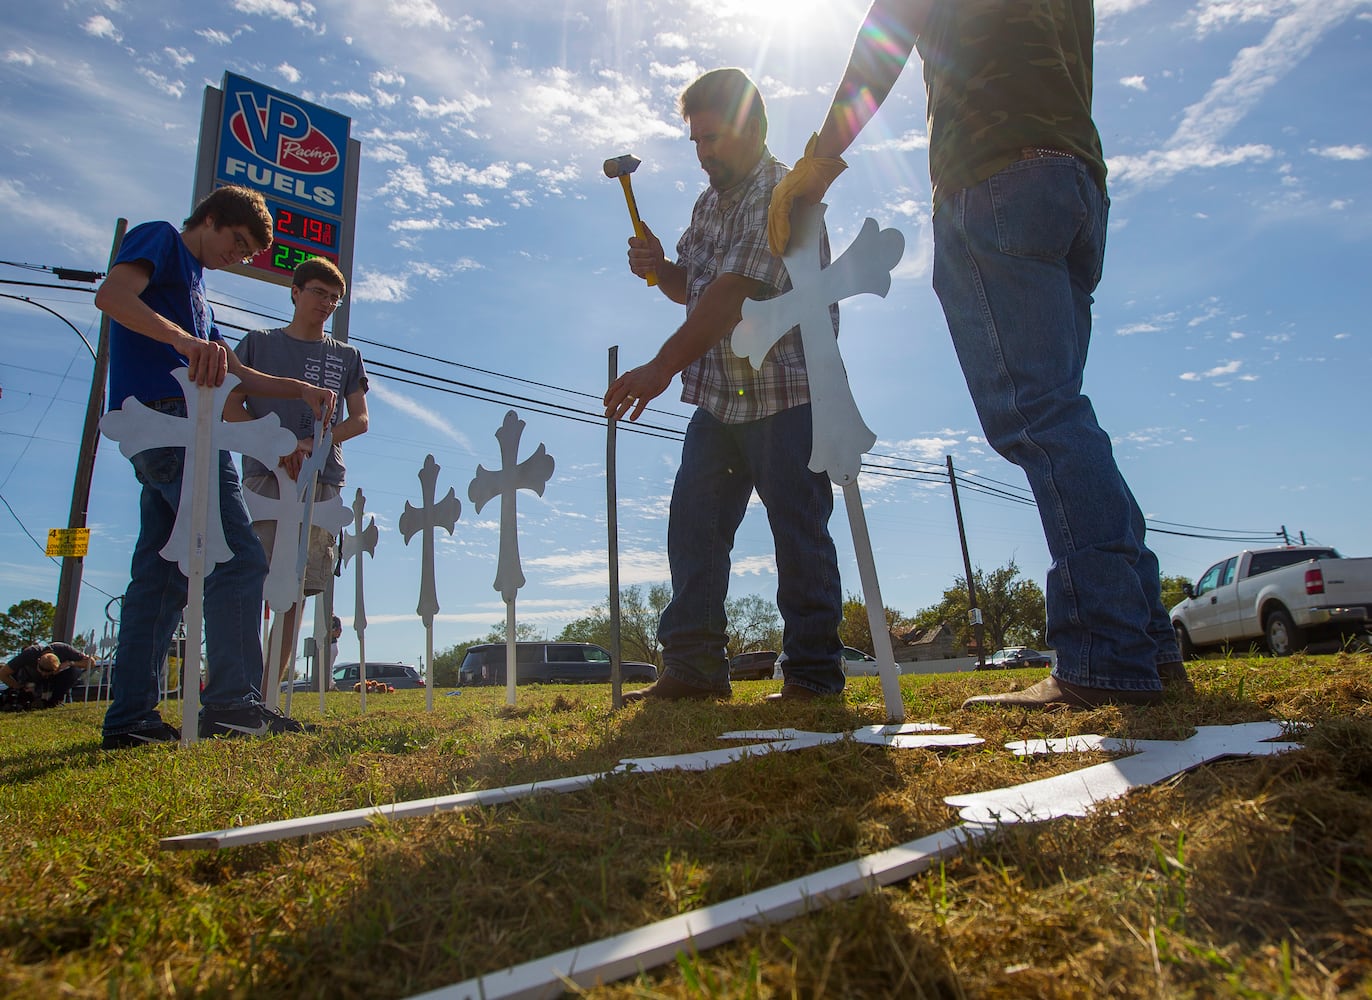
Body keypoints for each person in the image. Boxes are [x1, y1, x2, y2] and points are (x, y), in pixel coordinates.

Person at [767, 0, 1188, 708]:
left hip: (994, 177)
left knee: (1040, 417)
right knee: (1063, 415)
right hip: (1076, 181)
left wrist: (817, 160)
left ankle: (1106, 655)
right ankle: (1145, 645)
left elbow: (888, 34)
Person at [603, 68, 844, 703]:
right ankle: (695, 668)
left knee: (799, 530)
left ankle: (814, 675)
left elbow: (735, 298)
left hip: (786, 392)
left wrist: (658, 369)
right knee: (695, 527)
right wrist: (662, 270)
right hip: (719, 396)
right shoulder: (709, 203)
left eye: (713, 138)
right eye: (697, 142)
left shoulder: (782, 193)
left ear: (752, 129)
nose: (705, 153)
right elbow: (698, 289)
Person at [95, 185, 336, 748]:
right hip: (172, 422)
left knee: (162, 575)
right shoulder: (161, 239)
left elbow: (234, 374)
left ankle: (131, 718)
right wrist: (184, 343)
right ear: (209, 218)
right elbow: (113, 296)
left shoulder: (198, 293)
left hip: (185, 425)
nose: (241, 255)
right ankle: (231, 703)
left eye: (250, 252)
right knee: (238, 558)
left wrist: (297, 389)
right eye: (238, 241)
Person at [232, 257, 368, 696]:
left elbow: (360, 420)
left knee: (295, 589)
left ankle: (268, 692)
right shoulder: (257, 344)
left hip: (322, 480)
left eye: (334, 298)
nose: (326, 303)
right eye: (318, 293)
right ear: (295, 291)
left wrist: (312, 444)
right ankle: (235, 687)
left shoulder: (345, 355)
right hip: (265, 478)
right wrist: (277, 446)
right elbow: (231, 405)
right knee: (251, 577)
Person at [0, 642, 92, 710]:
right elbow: (3, 674)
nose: (44, 674)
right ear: (38, 660)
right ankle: (24, 699)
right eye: (42, 670)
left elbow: (92, 662)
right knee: (18, 672)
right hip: (31, 679)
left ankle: (54, 701)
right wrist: (18, 687)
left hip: (55, 680)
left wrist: (70, 663)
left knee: (74, 671)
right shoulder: (29, 653)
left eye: (48, 672)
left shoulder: (64, 650)